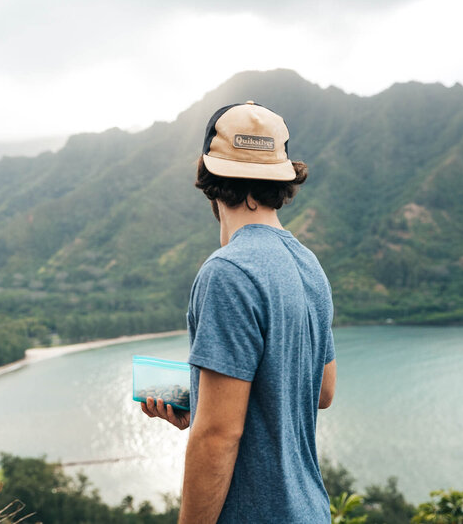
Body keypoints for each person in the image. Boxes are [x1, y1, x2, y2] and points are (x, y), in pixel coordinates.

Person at [141, 101, 337, 523]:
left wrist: (210, 416)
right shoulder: (308, 265)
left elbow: (218, 435)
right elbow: (322, 391)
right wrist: (206, 399)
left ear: (208, 178)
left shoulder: (227, 273)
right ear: (282, 178)